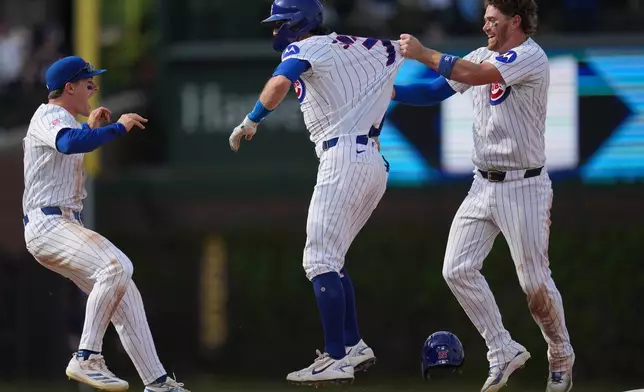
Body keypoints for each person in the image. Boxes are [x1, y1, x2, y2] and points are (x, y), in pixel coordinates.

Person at [392, 1, 574, 391]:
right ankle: (502, 349)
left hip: (524, 186)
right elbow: (433, 91)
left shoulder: (529, 57)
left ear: (516, 21)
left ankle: (560, 353)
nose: (485, 25)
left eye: (492, 19)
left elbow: (474, 75)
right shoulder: (479, 54)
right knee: (456, 269)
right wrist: (387, 92)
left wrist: (423, 52)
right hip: (482, 183)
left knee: (534, 285)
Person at [228, 0, 402, 386]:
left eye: (280, 23)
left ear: (298, 23)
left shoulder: (304, 47)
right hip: (372, 161)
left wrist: (251, 120)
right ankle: (352, 344)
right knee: (332, 259)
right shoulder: (355, 47)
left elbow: (279, 83)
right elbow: (401, 71)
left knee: (318, 259)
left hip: (343, 156)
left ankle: (336, 356)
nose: (275, 31)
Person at [22, 55, 190, 392]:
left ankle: (157, 382)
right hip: (49, 224)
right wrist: (117, 128)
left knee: (125, 295)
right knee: (116, 266)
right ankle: (86, 356)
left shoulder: (62, 119)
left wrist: (90, 129)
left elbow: (70, 143)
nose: (93, 88)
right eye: (87, 82)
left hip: (62, 225)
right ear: (68, 87)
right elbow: (68, 143)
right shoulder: (49, 114)